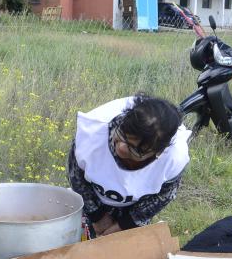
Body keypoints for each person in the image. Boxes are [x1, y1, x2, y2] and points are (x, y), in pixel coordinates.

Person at [68, 93, 191, 237]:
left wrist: (126, 224)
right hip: (92, 199)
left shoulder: (173, 158)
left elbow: (163, 197)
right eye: (121, 135)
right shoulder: (93, 132)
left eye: (135, 149)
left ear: (158, 152)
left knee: (123, 249)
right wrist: (97, 215)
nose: (121, 148)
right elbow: (76, 178)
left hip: (135, 208)